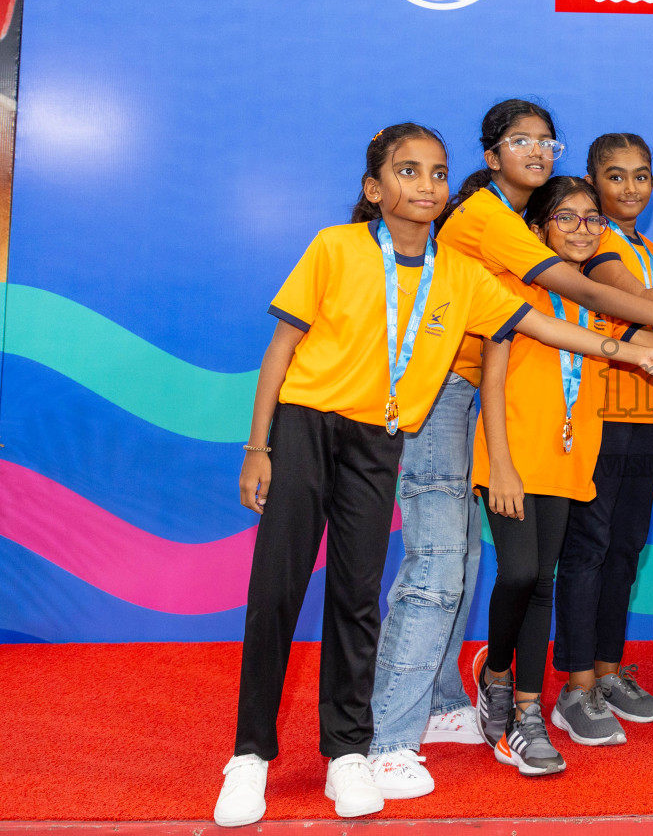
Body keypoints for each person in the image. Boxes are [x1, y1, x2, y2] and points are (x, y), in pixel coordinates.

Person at [368, 100, 653, 797]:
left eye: (547, 141)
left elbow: (608, 336)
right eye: (521, 141)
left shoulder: (519, 243)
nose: (537, 151)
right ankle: (399, 732)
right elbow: (561, 300)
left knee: (499, 570)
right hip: (459, 404)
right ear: (491, 156)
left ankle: (490, 705)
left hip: (556, 446)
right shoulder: (493, 227)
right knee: (445, 571)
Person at [214, 124, 535, 826]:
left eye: (439, 173)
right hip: (304, 424)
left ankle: (347, 753)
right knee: (277, 590)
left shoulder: (457, 271)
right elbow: (281, 349)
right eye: (409, 171)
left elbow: (538, 322)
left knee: (357, 597)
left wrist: (624, 348)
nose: (426, 185)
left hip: (378, 437)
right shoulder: (335, 247)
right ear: (374, 188)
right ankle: (248, 758)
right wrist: (256, 447)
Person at [472, 176, 653, 776]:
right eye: (565, 218)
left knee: (542, 579)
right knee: (519, 571)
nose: (581, 229)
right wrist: (501, 466)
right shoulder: (513, 287)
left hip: (573, 460)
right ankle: (495, 673)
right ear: (539, 230)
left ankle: (526, 712)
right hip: (513, 460)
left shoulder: (593, 300)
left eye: (590, 219)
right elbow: (492, 382)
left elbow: (645, 331)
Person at [545, 135, 653, 743]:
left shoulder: (646, 246)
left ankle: (606, 672)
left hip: (643, 415)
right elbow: (640, 306)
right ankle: (574, 689)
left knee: (626, 548)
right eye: (615, 176)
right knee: (590, 548)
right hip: (596, 416)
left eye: (641, 176)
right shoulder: (596, 246)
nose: (631, 188)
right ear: (591, 183)